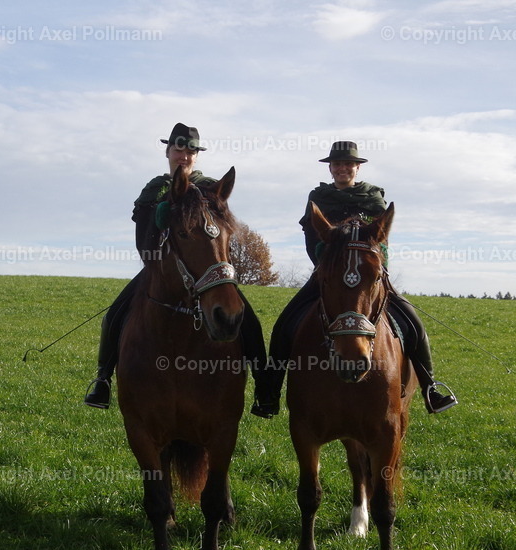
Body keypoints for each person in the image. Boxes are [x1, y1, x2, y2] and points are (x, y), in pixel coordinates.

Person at [84, 123, 279, 417]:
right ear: (168, 151)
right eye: (179, 149)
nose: (184, 156)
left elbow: (220, 233)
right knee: (114, 315)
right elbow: (143, 241)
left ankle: (264, 387)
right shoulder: (154, 190)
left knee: (247, 320)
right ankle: (102, 379)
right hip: (160, 270)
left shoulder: (210, 190)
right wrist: (160, 222)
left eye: (190, 151)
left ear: (196, 156)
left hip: (206, 272)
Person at [267, 141, 458, 414]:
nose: (343, 168)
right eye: (337, 164)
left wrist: (379, 269)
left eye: (348, 164)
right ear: (331, 168)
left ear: (357, 167)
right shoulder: (318, 198)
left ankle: (431, 389)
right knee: (285, 324)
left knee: (413, 324)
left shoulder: (373, 198)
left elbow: (383, 241)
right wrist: (327, 266)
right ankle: (269, 392)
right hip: (329, 274)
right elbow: (312, 238)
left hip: (370, 276)